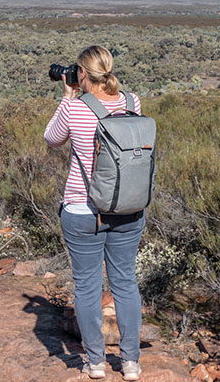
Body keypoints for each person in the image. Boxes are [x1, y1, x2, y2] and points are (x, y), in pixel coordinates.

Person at [44, 45, 145, 381]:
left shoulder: (76, 108)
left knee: (87, 288)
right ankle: (130, 362)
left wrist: (67, 96)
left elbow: (52, 138)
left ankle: (97, 363)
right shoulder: (133, 103)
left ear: (82, 74)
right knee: (126, 284)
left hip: (83, 211)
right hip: (129, 208)